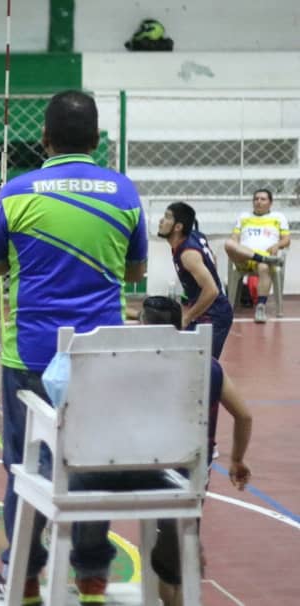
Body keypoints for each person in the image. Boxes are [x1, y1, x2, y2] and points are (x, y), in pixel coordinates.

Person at [0, 90, 149, 604]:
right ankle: (93, 577)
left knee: (23, 467)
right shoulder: (124, 193)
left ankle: (25, 577)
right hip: (99, 357)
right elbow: (135, 272)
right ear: (97, 139)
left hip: (29, 356)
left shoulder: (17, 192)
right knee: (95, 461)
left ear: (44, 139)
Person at [139, 296, 253, 606]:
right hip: (193, 473)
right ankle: (182, 550)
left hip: (149, 472)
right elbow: (244, 416)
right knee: (178, 546)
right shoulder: (209, 365)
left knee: (170, 568)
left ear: (143, 328)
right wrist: (237, 460)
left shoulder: (136, 366)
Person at [157, 202, 234, 358]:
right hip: (204, 311)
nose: (161, 221)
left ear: (178, 227)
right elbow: (213, 258)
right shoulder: (195, 236)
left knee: (204, 368)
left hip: (214, 315)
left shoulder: (188, 255)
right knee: (187, 361)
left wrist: (187, 316)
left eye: (167, 217)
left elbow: (212, 290)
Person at [224, 188, 290, 323]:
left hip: (265, 260)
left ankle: (260, 307)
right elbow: (234, 237)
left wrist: (277, 246)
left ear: (270, 203)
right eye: (256, 199)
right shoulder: (244, 217)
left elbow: (286, 240)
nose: (258, 202)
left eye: (263, 199)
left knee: (264, 267)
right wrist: (236, 247)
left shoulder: (278, 217)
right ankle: (262, 258)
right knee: (228, 243)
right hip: (243, 258)